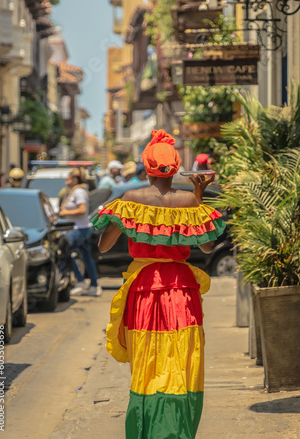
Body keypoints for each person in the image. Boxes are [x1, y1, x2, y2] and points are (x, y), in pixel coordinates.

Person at [92, 130, 226, 438]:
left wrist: (119, 221)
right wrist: (198, 197)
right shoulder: (189, 202)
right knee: (182, 365)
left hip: (144, 292)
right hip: (182, 292)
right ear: (176, 167)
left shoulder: (129, 201)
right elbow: (206, 248)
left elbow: (103, 246)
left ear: (147, 167)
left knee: (147, 366)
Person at [59, 167, 101, 297]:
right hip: (79, 228)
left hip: (80, 229)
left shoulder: (79, 192)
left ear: (75, 180)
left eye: (68, 179)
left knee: (65, 249)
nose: (66, 182)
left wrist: (65, 213)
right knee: (86, 257)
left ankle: (80, 281)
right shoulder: (74, 192)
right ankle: (93, 285)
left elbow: (82, 210)